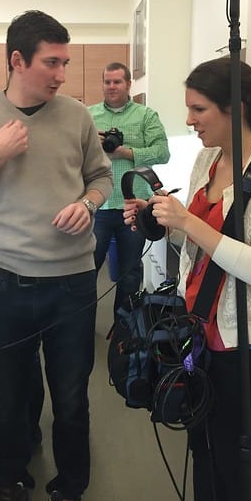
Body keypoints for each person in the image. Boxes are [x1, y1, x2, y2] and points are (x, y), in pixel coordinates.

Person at [0, 10, 113, 501]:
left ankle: (70, 488)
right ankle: (11, 483)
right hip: (8, 283)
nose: (61, 74)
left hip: (72, 285)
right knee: (12, 401)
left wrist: (88, 204)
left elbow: (100, 178)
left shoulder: (78, 116)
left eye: (64, 62)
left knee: (73, 400)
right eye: (51, 62)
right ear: (18, 60)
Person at [122, 57, 251, 501]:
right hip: (199, 326)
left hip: (246, 342)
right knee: (200, 446)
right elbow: (200, 240)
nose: (189, 120)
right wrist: (163, 221)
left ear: (236, 108)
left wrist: (187, 219)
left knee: (235, 453)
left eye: (198, 109)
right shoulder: (208, 158)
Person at [88, 62, 169, 313]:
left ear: (128, 84)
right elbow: (73, 154)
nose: (112, 87)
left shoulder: (146, 116)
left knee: (130, 275)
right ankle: (82, 325)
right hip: (97, 204)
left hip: (134, 206)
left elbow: (163, 152)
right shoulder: (88, 116)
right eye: (107, 82)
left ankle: (124, 333)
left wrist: (126, 152)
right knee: (86, 270)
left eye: (117, 82)